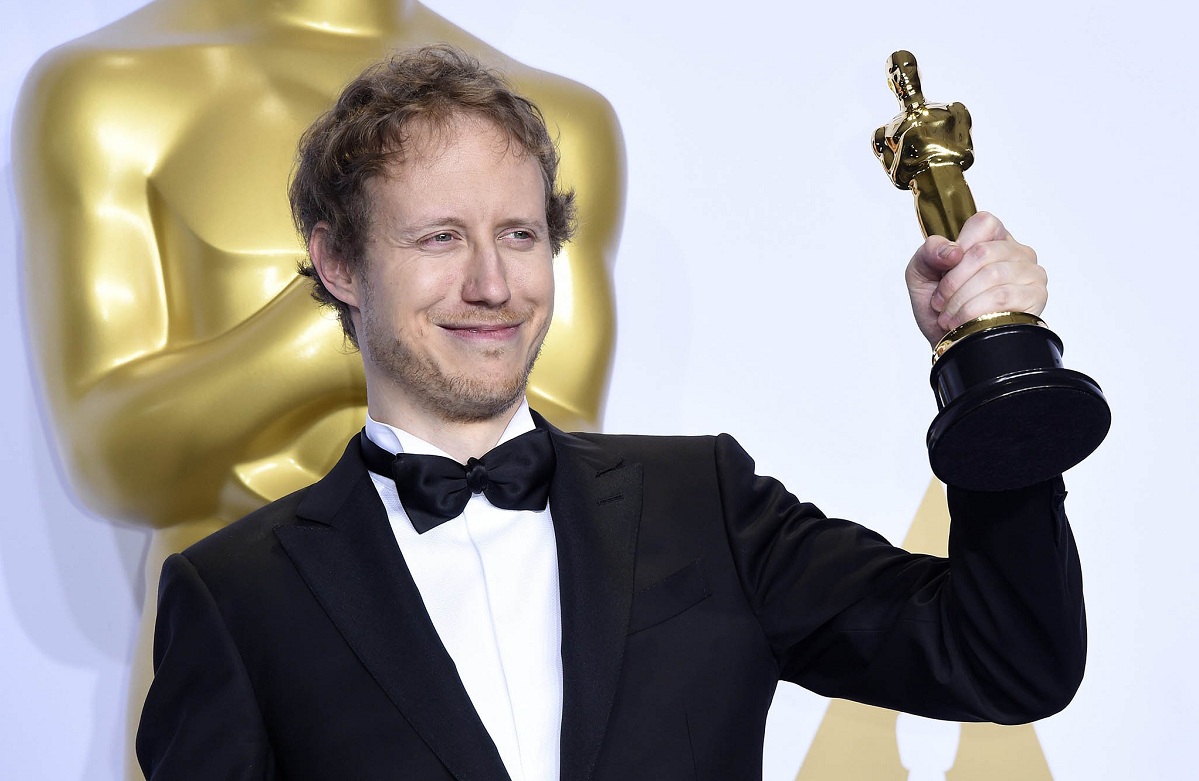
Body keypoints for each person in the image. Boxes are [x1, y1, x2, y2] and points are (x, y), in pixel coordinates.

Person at [136, 45, 1084, 781]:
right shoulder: (232, 598)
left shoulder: (702, 503)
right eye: (439, 238)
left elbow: (1005, 658)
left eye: (519, 234)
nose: (491, 283)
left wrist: (990, 368)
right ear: (339, 263)